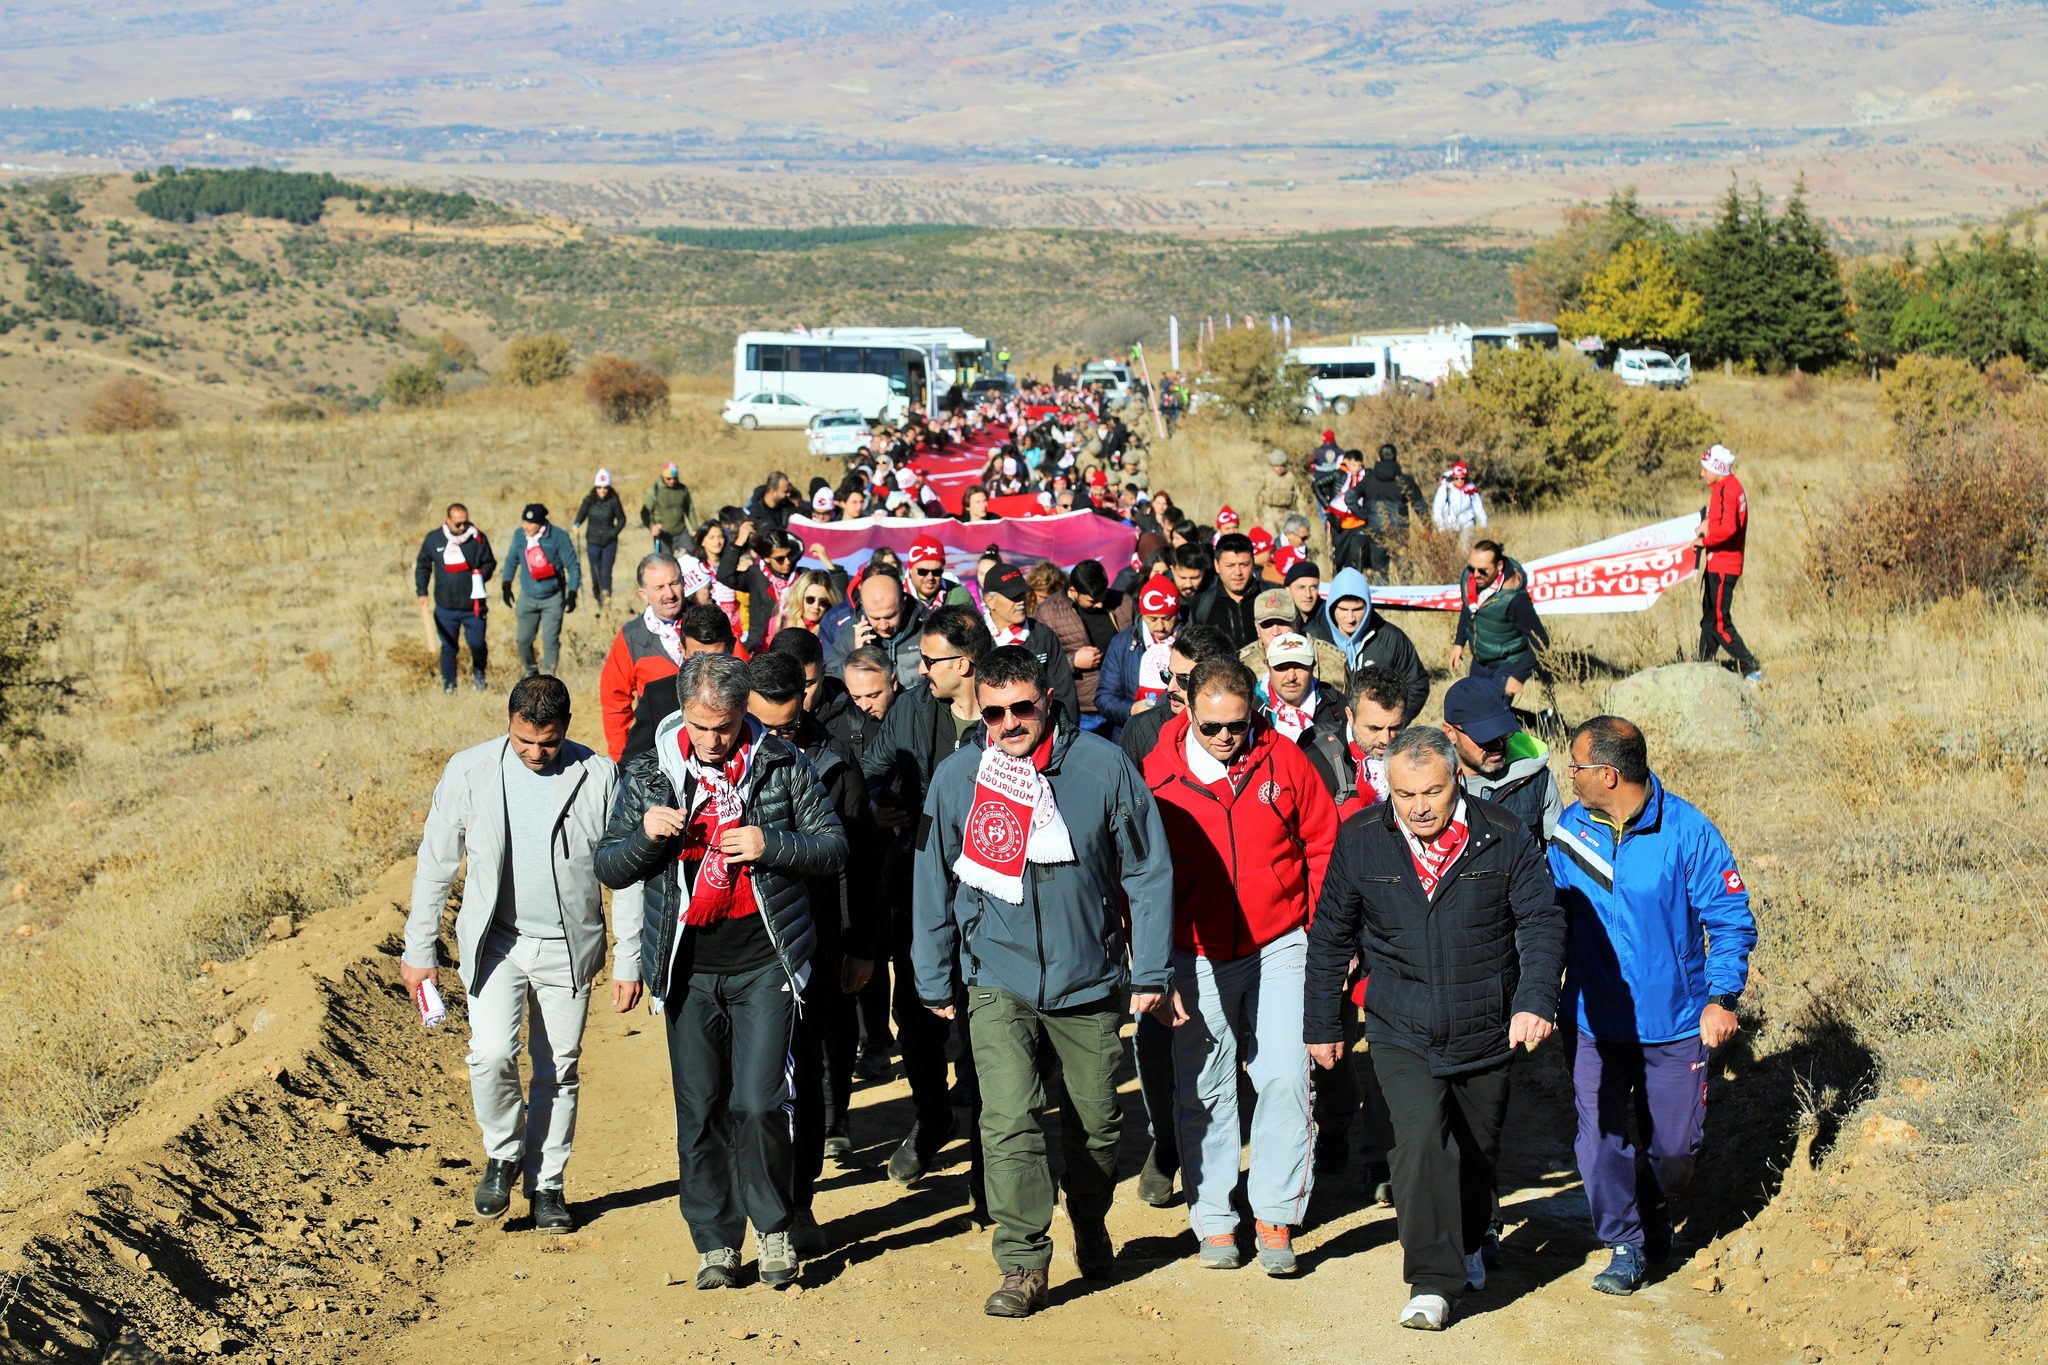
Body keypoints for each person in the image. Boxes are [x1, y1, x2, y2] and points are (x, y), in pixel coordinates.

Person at [912, 645, 1173, 1317]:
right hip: (995, 974)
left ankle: (1089, 1213)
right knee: (1007, 1116)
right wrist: (933, 972)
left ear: (1048, 699)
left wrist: (1150, 969)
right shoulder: (957, 777)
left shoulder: (1102, 765)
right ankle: (1024, 1259)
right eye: (995, 711)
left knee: (1097, 1122)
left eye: (1022, 707)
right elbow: (932, 880)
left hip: (1088, 976)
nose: (1009, 722)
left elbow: (1146, 869)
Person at [595, 653, 848, 1292]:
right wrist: (648, 837)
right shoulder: (651, 770)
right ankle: (714, 1242)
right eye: (701, 727)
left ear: (744, 716)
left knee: (761, 1101)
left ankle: (774, 1226)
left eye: (726, 727)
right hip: (689, 969)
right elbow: (609, 864)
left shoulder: (782, 763)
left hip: (766, 961)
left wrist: (772, 844)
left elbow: (834, 846)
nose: (712, 741)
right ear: (683, 711)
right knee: (701, 1107)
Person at [1305, 727, 1565, 1332]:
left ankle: (1473, 1238)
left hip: (1487, 1026)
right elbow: (1330, 938)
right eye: (1404, 794)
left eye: (1431, 791)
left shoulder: (1502, 835)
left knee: (1476, 1149)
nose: (1419, 806)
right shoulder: (1362, 840)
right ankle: (1431, 1281)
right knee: (1419, 1141)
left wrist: (1534, 1001)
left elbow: (1541, 922)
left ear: (1459, 781)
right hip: (1400, 1025)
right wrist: (1321, 1020)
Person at [403, 676, 639, 1235]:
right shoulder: (470, 770)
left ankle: (549, 1185)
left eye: (549, 743)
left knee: (559, 1068)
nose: (536, 753)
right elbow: (436, 861)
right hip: (496, 943)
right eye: (524, 740)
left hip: (567, 945)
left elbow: (627, 877)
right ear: (508, 721)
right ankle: (503, 1153)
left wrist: (629, 957)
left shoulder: (598, 776)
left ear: (566, 730)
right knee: (489, 1055)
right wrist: (419, 946)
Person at [1549, 715, 1757, 1297]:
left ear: (1609, 775)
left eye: (1578, 766)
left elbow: (1730, 920)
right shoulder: (1571, 828)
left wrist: (1721, 998)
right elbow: (1551, 921)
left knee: (1674, 1153)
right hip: (1593, 1021)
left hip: (1672, 1022)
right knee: (1597, 1141)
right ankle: (1625, 1243)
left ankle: (1653, 1200)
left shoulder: (1688, 832)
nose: (1570, 775)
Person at [1143, 658, 1335, 1275]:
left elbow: (1323, 844)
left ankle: (1276, 1213)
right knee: (1203, 1085)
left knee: (1282, 1073)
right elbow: (1137, 878)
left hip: (1280, 940)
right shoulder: (1155, 777)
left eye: (1238, 723)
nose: (1227, 737)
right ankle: (1216, 1221)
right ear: (1187, 712)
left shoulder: (1285, 760)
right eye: (1212, 726)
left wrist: (1322, 934)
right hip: (1194, 951)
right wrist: (1151, 962)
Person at [746, 651, 881, 1258]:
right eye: (767, 727)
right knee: (749, 1086)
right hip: (744, 944)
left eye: (790, 723)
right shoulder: (713, 757)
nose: (779, 738)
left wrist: (860, 943)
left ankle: (798, 1200)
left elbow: (858, 860)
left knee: (806, 1076)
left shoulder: (831, 758)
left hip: (819, 937)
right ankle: (746, 1204)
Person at [859, 606, 996, 1195]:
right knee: (915, 1018)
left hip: (996, 891)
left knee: (991, 1021)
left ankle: (995, 1157)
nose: (920, 669)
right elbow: (872, 768)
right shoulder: (915, 707)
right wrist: (875, 803)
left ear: (965, 664)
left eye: (932, 660)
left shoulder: (1009, 708)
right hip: (920, 884)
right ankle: (933, 1117)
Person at [1296, 666, 1406, 1197]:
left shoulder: (1416, 760)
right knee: (1332, 1036)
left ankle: (1382, 1154)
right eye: (1373, 730)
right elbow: (1308, 853)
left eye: (1394, 729)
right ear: (1347, 717)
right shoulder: (1315, 762)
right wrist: (1331, 939)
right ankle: (1335, 1126)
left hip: (1395, 925)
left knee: (1390, 1042)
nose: (1385, 741)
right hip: (1335, 920)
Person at [1441, 676, 1562, 838]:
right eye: (1484, 736)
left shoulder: (1536, 779)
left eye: (1502, 732)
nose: (1498, 745)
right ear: (1450, 733)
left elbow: (1560, 854)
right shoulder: (1424, 784)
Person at [1306, 567, 1430, 718]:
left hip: (1378, 733)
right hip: (1328, 733)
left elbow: (1417, 683)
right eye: (1343, 610)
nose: (1350, 618)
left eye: (1357, 609)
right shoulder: (1312, 639)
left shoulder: (1391, 638)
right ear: (1331, 607)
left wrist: (1394, 722)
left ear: (1368, 606)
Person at [1032, 558, 1129, 733]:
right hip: (1083, 711)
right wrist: (1072, 661)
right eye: (1092, 601)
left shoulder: (1123, 603)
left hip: (1121, 703)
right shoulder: (1047, 613)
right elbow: (1040, 662)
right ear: (1073, 590)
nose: (1100, 604)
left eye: (1103, 596)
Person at [1694, 444, 1761, 683]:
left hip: (1724, 565)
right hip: (1718, 563)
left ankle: (1750, 667)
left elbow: (1729, 528)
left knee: (1720, 622)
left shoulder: (1727, 490)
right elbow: (1720, 519)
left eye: (1705, 469)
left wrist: (1705, 540)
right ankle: (1702, 667)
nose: (1702, 474)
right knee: (1709, 619)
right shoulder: (1725, 487)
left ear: (1717, 469)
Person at [1450, 541, 1549, 701]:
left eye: (1482, 570)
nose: (1475, 574)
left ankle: (1542, 721)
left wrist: (1518, 676)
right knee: (1476, 709)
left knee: (1492, 710)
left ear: (1499, 566)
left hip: (1508, 663)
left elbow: (1541, 641)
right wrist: (1459, 642)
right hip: (1481, 661)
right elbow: (1468, 608)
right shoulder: (1470, 580)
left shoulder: (1515, 599)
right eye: (1471, 568)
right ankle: (1544, 719)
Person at [415, 502, 497, 694]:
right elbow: (423, 566)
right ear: (448, 520)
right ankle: (449, 685)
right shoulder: (434, 539)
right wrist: (422, 592)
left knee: (477, 644)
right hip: (446, 607)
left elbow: (490, 562)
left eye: (465, 523)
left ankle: (479, 674)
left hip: (473, 606)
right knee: (449, 648)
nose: (462, 528)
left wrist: (480, 574)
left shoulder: (477, 538)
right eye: (458, 524)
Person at [980, 563, 1078, 720]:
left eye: (1022, 594)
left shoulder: (1043, 635)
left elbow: (1063, 692)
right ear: (990, 601)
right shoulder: (976, 637)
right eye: (1012, 596)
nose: (1020, 601)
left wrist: (1065, 733)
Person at [501, 503, 581, 679]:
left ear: (541, 523)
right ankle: (531, 673)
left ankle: (548, 677)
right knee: (523, 640)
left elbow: (572, 566)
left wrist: (573, 592)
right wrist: (506, 583)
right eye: (524, 522)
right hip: (528, 596)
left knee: (550, 640)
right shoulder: (519, 536)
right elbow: (511, 560)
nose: (525, 527)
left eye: (530, 524)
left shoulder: (558, 536)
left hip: (553, 597)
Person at [1097, 574, 1179, 739]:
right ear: (1142, 615)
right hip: (1133, 734)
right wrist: (1131, 709)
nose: (1160, 626)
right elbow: (1104, 697)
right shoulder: (1122, 644)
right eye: (1153, 619)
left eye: (1167, 618)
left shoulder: (1191, 640)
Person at [825, 566, 928, 688]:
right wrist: (855, 658)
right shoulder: (850, 634)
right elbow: (830, 683)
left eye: (891, 616)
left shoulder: (926, 628)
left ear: (903, 603)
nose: (884, 626)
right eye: (875, 618)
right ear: (863, 607)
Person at [1238, 587, 1347, 692]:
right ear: (1257, 628)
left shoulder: (1333, 660)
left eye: (1283, 623)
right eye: (1267, 624)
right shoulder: (1241, 664)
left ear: (1297, 623)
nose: (1276, 632)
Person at [719, 527, 800, 655]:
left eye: (790, 555)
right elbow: (725, 576)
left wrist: (833, 569)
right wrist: (738, 543)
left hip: (794, 645)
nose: (787, 562)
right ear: (767, 558)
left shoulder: (801, 576)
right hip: (762, 647)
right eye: (780, 559)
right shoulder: (756, 574)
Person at [1353, 443, 1426, 577]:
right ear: (1397, 458)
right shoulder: (1404, 481)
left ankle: (1382, 597)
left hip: (1375, 531)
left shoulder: (1368, 480)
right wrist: (1429, 529)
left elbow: (1350, 498)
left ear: (1378, 458)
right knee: (1404, 571)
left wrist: (1363, 515)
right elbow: (1420, 507)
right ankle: (1405, 597)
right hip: (1399, 531)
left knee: (1379, 572)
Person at [1251, 631, 1334, 743]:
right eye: (1282, 667)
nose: (1291, 677)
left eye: (1299, 666)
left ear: (1313, 667)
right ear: (1268, 668)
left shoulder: (1336, 704)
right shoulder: (1250, 710)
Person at [1191, 533, 1259, 650]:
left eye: (1244, 564)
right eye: (1230, 565)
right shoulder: (1201, 605)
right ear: (1217, 565)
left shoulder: (1270, 595)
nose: (1238, 572)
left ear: (1253, 563)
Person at [574, 469, 629, 608]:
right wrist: (577, 525)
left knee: (605, 572)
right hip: (593, 542)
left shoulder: (613, 501)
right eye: (599, 487)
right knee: (595, 573)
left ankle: (607, 599)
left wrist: (613, 533)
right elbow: (581, 515)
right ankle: (598, 598)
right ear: (595, 487)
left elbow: (622, 519)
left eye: (605, 487)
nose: (602, 490)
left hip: (609, 543)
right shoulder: (589, 500)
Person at [905, 535, 971, 612]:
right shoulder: (895, 590)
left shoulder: (958, 595)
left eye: (936, 572)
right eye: (923, 572)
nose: (930, 577)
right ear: (910, 569)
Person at [641, 463, 696, 555]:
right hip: (663, 535)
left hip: (681, 532)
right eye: (669, 479)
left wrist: (695, 529)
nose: (672, 481)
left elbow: (690, 509)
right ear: (663, 476)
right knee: (666, 563)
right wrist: (651, 526)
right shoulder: (654, 491)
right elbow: (644, 513)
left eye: (674, 478)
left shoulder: (682, 490)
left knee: (693, 556)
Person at [775, 569, 840, 641]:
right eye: (810, 600)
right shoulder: (780, 622)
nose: (816, 606)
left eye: (823, 602)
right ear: (799, 597)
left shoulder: (834, 630)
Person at [1431, 461, 1487, 538]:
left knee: (1464, 548)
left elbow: (1478, 507)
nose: (1459, 480)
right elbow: (1437, 508)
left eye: (1462, 478)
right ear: (1453, 477)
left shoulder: (1471, 487)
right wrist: (1441, 527)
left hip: (1467, 524)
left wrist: (1484, 524)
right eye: (1456, 478)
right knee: (1449, 549)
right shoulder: (1445, 488)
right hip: (1448, 525)